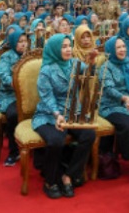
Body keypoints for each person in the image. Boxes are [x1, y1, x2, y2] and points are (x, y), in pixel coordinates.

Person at [32, 34, 95, 199]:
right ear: (54, 49)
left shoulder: (74, 63)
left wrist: (92, 62)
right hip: (49, 114)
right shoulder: (46, 70)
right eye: (64, 46)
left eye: (70, 46)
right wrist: (57, 114)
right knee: (56, 140)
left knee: (89, 134)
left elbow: (89, 72)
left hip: (73, 112)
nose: (68, 50)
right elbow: (46, 96)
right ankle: (50, 181)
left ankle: (69, 175)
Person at [0, 27, 27, 167]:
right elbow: (3, 76)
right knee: (13, 114)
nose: (23, 44)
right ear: (14, 43)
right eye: (20, 42)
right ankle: (14, 151)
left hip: (29, 94)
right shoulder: (6, 57)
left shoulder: (30, 57)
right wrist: (15, 83)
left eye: (25, 41)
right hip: (10, 95)